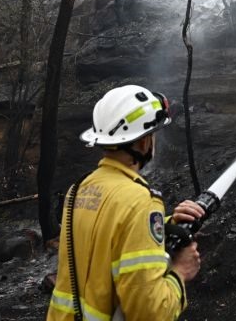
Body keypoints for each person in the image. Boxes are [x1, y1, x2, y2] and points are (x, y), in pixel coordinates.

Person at [47, 85, 205, 321]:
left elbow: (107, 240)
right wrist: (180, 273)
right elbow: (148, 313)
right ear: (143, 144)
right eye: (152, 135)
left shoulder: (79, 189)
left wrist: (168, 224)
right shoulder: (140, 201)